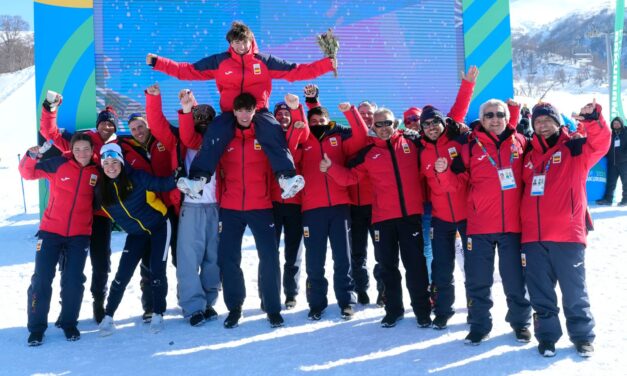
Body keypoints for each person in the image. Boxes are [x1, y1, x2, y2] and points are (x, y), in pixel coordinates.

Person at [148, 21, 337, 199]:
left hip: (258, 111)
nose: (240, 46)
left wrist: (327, 64)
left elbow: (296, 71)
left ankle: (286, 178)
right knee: (214, 133)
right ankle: (198, 180)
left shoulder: (264, 61)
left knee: (272, 132)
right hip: (231, 111)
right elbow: (187, 70)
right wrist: (158, 62)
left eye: (243, 41)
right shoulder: (220, 61)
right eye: (235, 42)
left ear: (251, 40)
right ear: (230, 43)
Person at [321, 108, 432, 328]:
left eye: (387, 123)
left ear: (396, 123)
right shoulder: (368, 154)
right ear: (373, 127)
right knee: (387, 267)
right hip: (382, 219)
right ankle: (393, 310)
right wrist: (331, 168)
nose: (383, 128)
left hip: (410, 217)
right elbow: (350, 177)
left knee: (416, 266)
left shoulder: (413, 145)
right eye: (378, 125)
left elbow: (439, 142)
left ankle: (422, 310)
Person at [520, 101, 610, 357]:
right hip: (533, 237)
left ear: (558, 123)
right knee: (540, 292)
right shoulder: (528, 155)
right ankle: (547, 336)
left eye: (548, 120)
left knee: (574, 290)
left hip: (567, 234)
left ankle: (582, 336)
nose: (543, 125)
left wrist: (593, 120)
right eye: (538, 121)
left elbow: (601, 143)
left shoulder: (575, 148)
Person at [145, 83, 221, 327]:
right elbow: (156, 125)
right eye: (199, 120)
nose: (204, 125)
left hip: (217, 208)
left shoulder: (218, 145)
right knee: (188, 259)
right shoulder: (178, 140)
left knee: (214, 258)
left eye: (208, 121)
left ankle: (208, 302)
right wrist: (154, 98)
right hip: (191, 208)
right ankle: (192, 306)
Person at [39, 92, 115, 324]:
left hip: (101, 216)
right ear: (97, 124)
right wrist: (49, 108)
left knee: (101, 261)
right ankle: (66, 310)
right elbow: (50, 133)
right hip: (75, 218)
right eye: (103, 122)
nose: (107, 127)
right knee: (70, 267)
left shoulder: (121, 146)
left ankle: (98, 303)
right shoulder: (82, 142)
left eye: (111, 124)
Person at [461, 98, 531, 345]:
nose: (495, 119)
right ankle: (479, 325)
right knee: (478, 280)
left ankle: (521, 323)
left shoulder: (521, 142)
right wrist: (440, 171)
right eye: (489, 115)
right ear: (482, 119)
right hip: (480, 225)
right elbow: (458, 182)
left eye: (500, 114)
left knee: (515, 279)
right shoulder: (469, 146)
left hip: (513, 225)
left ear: (506, 117)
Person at [19, 133, 99, 346]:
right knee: (42, 279)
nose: (82, 153)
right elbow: (27, 173)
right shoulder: (58, 164)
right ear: (71, 150)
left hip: (79, 235)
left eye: (86, 149)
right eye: (78, 149)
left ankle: (69, 322)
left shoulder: (97, 170)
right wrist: (30, 156)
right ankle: (36, 328)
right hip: (50, 232)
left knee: (73, 280)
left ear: (92, 150)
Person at [212, 92, 284, 329]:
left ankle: (272, 308)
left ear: (255, 112)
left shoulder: (264, 137)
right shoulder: (225, 139)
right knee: (228, 258)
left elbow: (287, 147)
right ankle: (234, 307)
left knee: (270, 257)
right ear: (233, 112)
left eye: (248, 110)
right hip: (231, 208)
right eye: (240, 110)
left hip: (260, 206)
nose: (244, 114)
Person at [294, 101, 368, 320]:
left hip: (339, 208)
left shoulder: (338, 140)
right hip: (312, 209)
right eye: (313, 121)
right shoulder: (304, 140)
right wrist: (298, 126)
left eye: (321, 121)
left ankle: (346, 302)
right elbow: (289, 152)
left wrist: (350, 111)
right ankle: (316, 303)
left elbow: (362, 137)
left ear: (329, 122)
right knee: (315, 260)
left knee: (342, 259)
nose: (318, 124)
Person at [96, 143, 176, 335]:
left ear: (122, 163)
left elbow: (162, 184)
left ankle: (158, 314)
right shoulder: (99, 191)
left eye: (115, 161)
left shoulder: (137, 177)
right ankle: (108, 317)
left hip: (159, 226)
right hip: (136, 234)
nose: (111, 166)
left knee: (157, 270)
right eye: (106, 163)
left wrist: (180, 177)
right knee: (122, 274)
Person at [117, 111, 180, 323]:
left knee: (180, 257)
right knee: (148, 262)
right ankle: (150, 306)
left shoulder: (163, 139)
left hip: (173, 205)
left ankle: (187, 300)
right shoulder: (125, 150)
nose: (138, 132)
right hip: (149, 212)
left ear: (148, 125)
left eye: (141, 126)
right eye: (133, 129)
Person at [418, 106, 470, 330]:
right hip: (440, 218)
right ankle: (443, 310)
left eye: (435, 123)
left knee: (474, 266)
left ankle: (475, 308)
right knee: (442, 267)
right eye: (426, 124)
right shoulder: (421, 150)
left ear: (444, 123)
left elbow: (466, 177)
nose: (431, 128)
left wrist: (445, 172)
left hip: (467, 215)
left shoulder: (459, 143)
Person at [268, 96, 309, 309]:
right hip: (273, 204)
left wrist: (297, 118)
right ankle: (269, 294)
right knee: (269, 252)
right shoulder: (269, 140)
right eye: (279, 114)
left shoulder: (301, 138)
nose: (283, 117)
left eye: (287, 113)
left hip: (295, 204)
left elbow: (293, 153)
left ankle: (291, 293)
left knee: (293, 252)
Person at [597, 116, 627, 206]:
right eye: (614, 123)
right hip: (612, 163)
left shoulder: (626, 133)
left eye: (618, 123)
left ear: (621, 123)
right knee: (610, 182)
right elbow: (605, 146)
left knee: (625, 182)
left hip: (624, 163)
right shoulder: (610, 134)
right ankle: (608, 199)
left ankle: (625, 200)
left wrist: (624, 156)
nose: (616, 125)